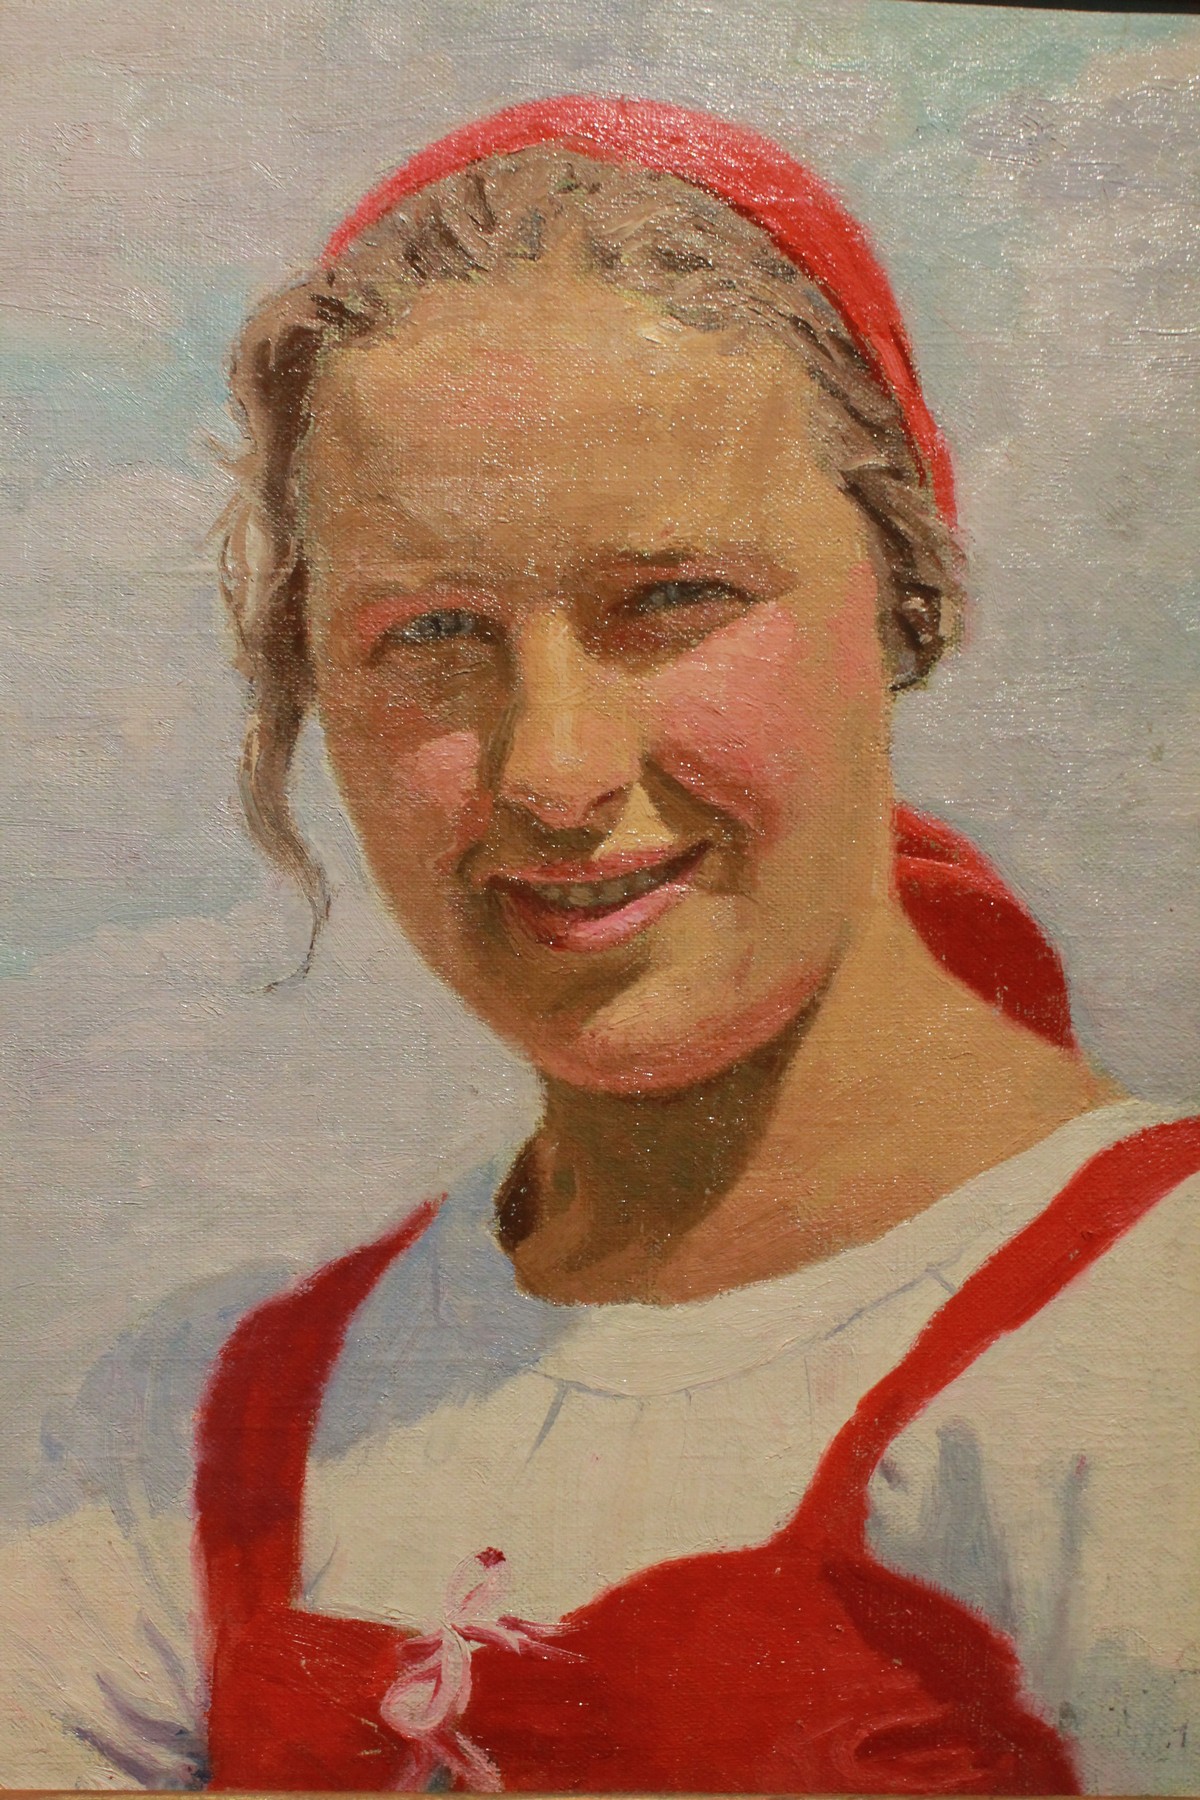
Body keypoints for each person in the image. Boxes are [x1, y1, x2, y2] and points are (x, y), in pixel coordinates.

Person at [2, 95, 1197, 1795]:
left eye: (673, 599)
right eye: (433, 631)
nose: (554, 773)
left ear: (899, 596)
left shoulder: (1153, 1331)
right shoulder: (204, 1426)